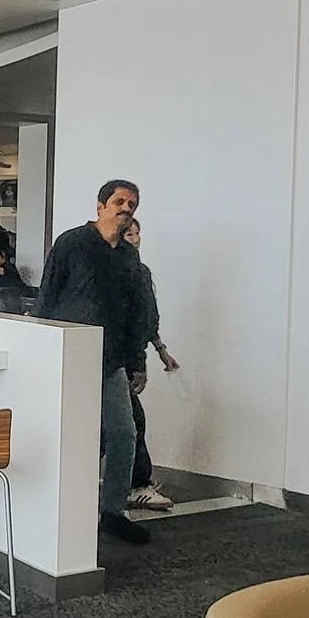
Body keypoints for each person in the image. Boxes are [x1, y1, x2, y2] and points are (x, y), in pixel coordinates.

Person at [36, 179, 167, 546]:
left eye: (131, 204)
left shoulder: (127, 256)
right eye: (119, 201)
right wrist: (42, 347)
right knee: (71, 434)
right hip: (70, 355)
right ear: (100, 206)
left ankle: (113, 513)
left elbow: (134, 313)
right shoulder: (72, 243)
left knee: (124, 433)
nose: (125, 208)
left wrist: (138, 361)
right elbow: (47, 296)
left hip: (110, 360)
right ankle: (59, 509)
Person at [120, 219, 177, 513]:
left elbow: (146, 319)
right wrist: (139, 364)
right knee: (131, 421)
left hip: (126, 358)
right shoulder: (118, 272)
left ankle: (134, 483)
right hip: (117, 358)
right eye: (128, 233)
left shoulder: (140, 273)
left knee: (127, 421)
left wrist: (161, 350)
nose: (135, 238)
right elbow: (132, 323)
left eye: (137, 233)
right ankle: (137, 484)